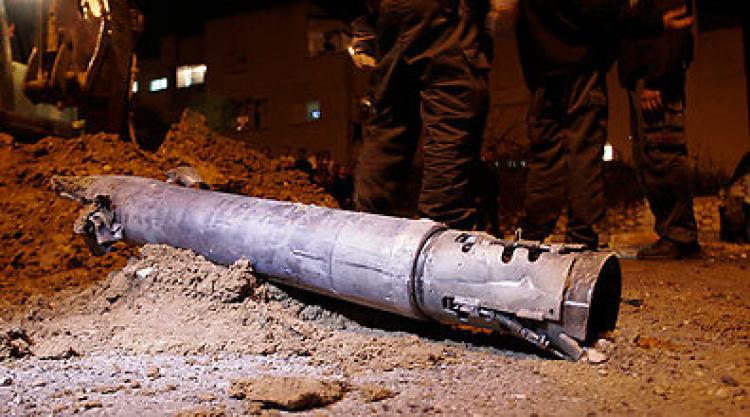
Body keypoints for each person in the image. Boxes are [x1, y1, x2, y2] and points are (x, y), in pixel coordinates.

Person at [515, 0, 694, 250]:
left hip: (543, 70)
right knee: (584, 153)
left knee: (546, 154)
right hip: (579, 64)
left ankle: (532, 235)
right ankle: (582, 234)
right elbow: (596, 8)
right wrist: (644, 20)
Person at [353, 0, 493, 230]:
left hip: (389, 13)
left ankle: (370, 230)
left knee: (390, 123)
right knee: (452, 115)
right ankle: (442, 228)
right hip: (445, 12)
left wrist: (363, 25)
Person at [619, 0, 699, 259]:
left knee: (662, 154)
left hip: (655, 79)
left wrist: (656, 78)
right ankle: (674, 234)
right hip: (646, 77)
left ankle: (680, 235)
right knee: (650, 158)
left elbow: (676, 29)